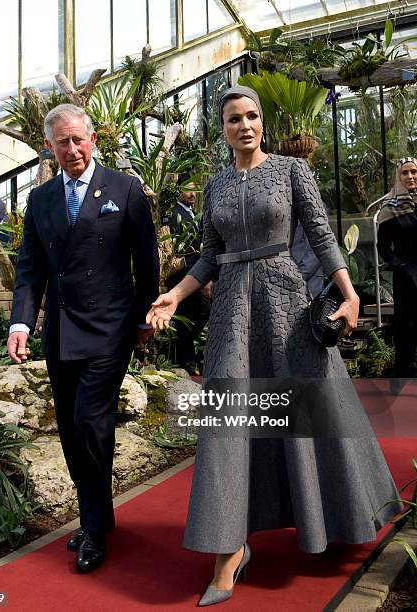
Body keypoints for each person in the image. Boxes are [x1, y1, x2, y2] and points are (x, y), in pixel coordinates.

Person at [147, 86, 401, 607]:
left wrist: (350, 295)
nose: (245, 125)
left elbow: (323, 235)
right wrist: (173, 294)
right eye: (234, 119)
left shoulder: (291, 171)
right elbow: (208, 258)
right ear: (221, 128)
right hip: (232, 316)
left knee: (313, 407)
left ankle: (337, 515)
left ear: (262, 121)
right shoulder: (215, 185)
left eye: (253, 116)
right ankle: (228, 549)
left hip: (286, 302)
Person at [7, 104, 159, 573]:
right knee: (72, 430)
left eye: (78, 140)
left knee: (92, 422)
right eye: (61, 143)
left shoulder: (125, 188)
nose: (71, 150)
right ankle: (97, 513)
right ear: (49, 148)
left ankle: (93, 527)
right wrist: (20, 322)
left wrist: (140, 320)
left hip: (109, 329)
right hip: (61, 332)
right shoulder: (41, 200)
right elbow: (31, 268)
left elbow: (147, 263)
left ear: (92, 140)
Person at [377, 157, 417, 388]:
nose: (410, 177)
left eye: (414, 172)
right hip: (407, 276)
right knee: (407, 329)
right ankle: (400, 382)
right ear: (398, 177)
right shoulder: (389, 207)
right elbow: (382, 246)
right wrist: (399, 266)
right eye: (405, 173)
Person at [164, 181, 212, 373]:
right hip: (183, 277)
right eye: (187, 189)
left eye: (194, 189)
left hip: (195, 274)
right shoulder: (175, 215)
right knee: (187, 317)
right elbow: (180, 250)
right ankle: (185, 360)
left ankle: (179, 351)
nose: (192, 194)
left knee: (202, 313)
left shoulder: (194, 215)